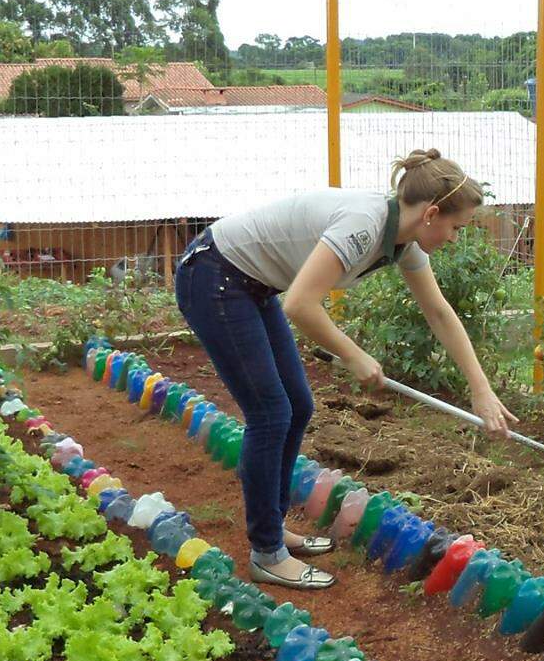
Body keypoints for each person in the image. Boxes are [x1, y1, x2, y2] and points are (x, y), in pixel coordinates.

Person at [174, 149, 518, 589]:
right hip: (214, 276)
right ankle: (266, 553)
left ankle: (273, 528)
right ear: (431, 214)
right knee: (270, 414)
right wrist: (353, 354)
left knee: (297, 405)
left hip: (252, 287)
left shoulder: (404, 241)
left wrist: (481, 390)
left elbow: (439, 313)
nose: (455, 237)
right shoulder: (364, 224)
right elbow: (300, 303)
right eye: (456, 227)